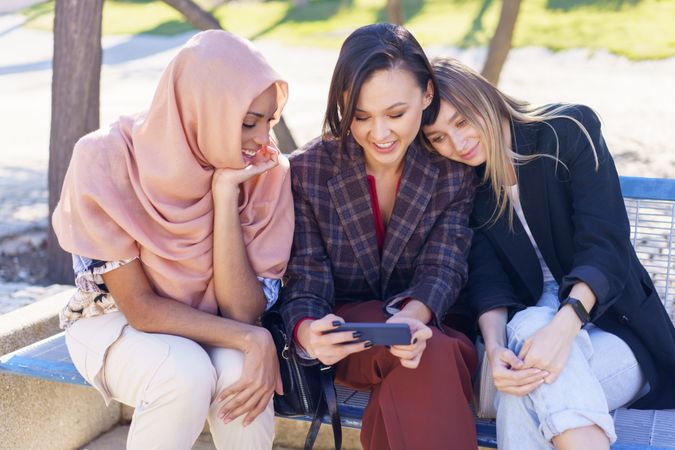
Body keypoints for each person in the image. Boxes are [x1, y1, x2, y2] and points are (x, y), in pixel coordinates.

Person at [52, 30, 294, 450]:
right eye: (248, 122)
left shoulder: (263, 172)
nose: (262, 140)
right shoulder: (106, 158)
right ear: (202, 110)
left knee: (241, 376)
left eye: (269, 121)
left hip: (217, 323)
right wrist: (252, 338)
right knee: (183, 374)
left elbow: (242, 310)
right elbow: (142, 310)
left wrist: (224, 195)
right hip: (115, 321)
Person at [422, 57, 675, 450]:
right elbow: (487, 280)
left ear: (484, 96)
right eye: (438, 137)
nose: (458, 144)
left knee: (528, 358)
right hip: (533, 347)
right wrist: (495, 349)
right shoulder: (467, 183)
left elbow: (605, 245)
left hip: (619, 332)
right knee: (527, 349)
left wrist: (563, 326)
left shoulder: (566, 131)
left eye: (461, 121)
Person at [278, 24, 479, 450]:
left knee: (425, 354)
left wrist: (414, 317)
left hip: (432, 322)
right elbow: (306, 280)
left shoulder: (452, 171)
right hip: (351, 337)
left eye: (395, 113)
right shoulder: (310, 171)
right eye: (361, 116)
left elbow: (444, 267)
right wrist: (308, 331)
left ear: (426, 96)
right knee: (430, 357)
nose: (380, 134)